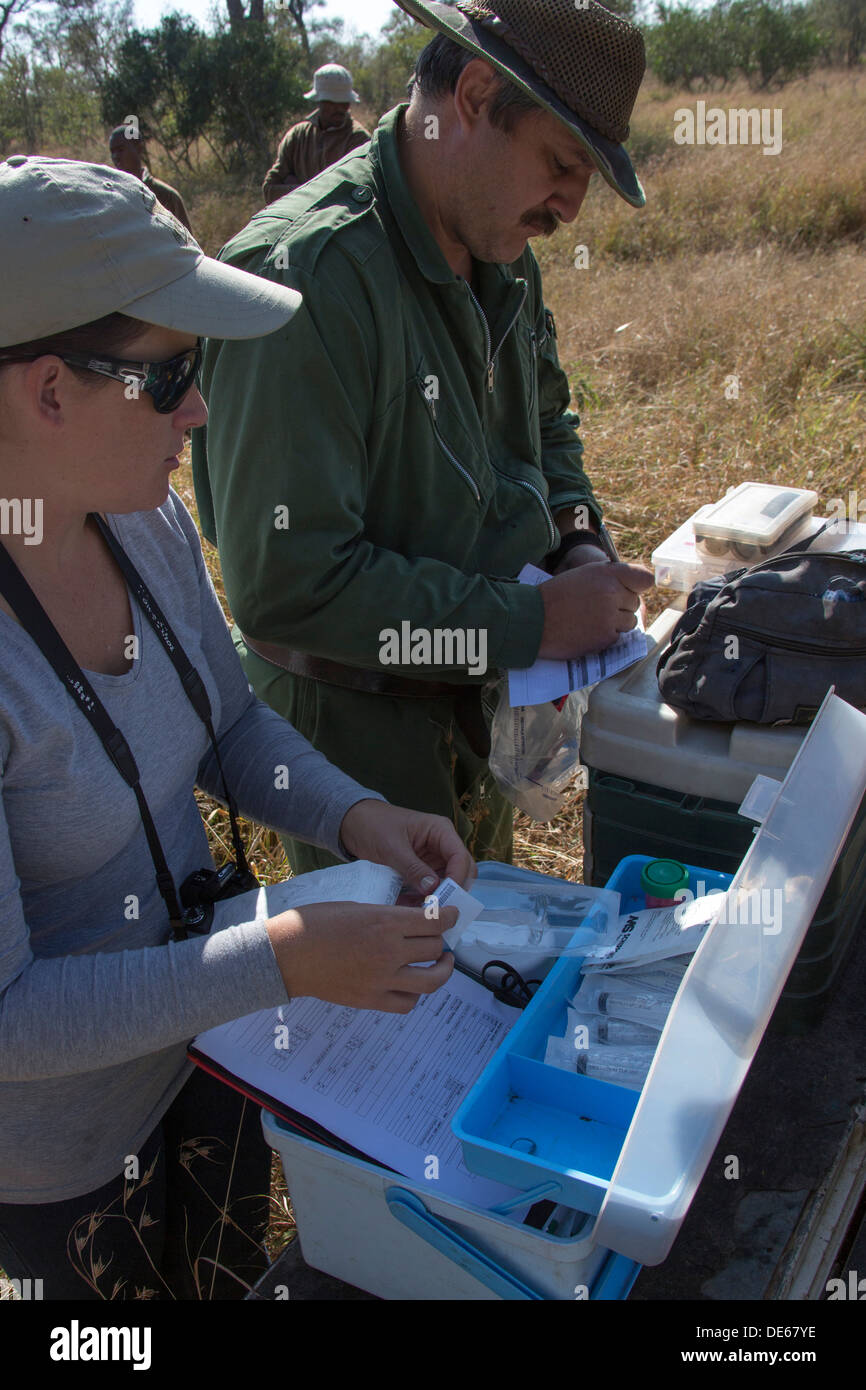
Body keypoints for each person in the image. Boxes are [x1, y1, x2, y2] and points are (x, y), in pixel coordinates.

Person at [0, 153, 467, 1300]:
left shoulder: (139, 518)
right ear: (48, 390)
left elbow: (228, 724)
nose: (200, 410)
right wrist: (283, 958)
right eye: (170, 377)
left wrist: (356, 818)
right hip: (60, 1159)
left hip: (216, 1055)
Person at [192, 0, 655, 878]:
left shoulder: (501, 244)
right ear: (476, 95)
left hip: (481, 705)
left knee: (488, 966)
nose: (569, 207)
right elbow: (289, 584)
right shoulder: (309, 279)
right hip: (358, 744)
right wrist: (528, 623)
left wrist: (579, 540)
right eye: (560, 163)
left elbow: (547, 423)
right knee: (405, 1000)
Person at [262, 63, 370, 204]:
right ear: (319, 101)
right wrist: (324, 191)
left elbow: (361, 197)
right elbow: (270, 190)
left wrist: (296, 188)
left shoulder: (359, 140)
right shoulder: (298, 136)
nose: (339, 108)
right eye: (332, 102)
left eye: (344, 102)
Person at [109, 124, 193, 233]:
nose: (116, 156)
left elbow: (187, 244)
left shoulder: (167, 197)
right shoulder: (111, 196)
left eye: (120, 150)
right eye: (112, 152)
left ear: (139, 148)